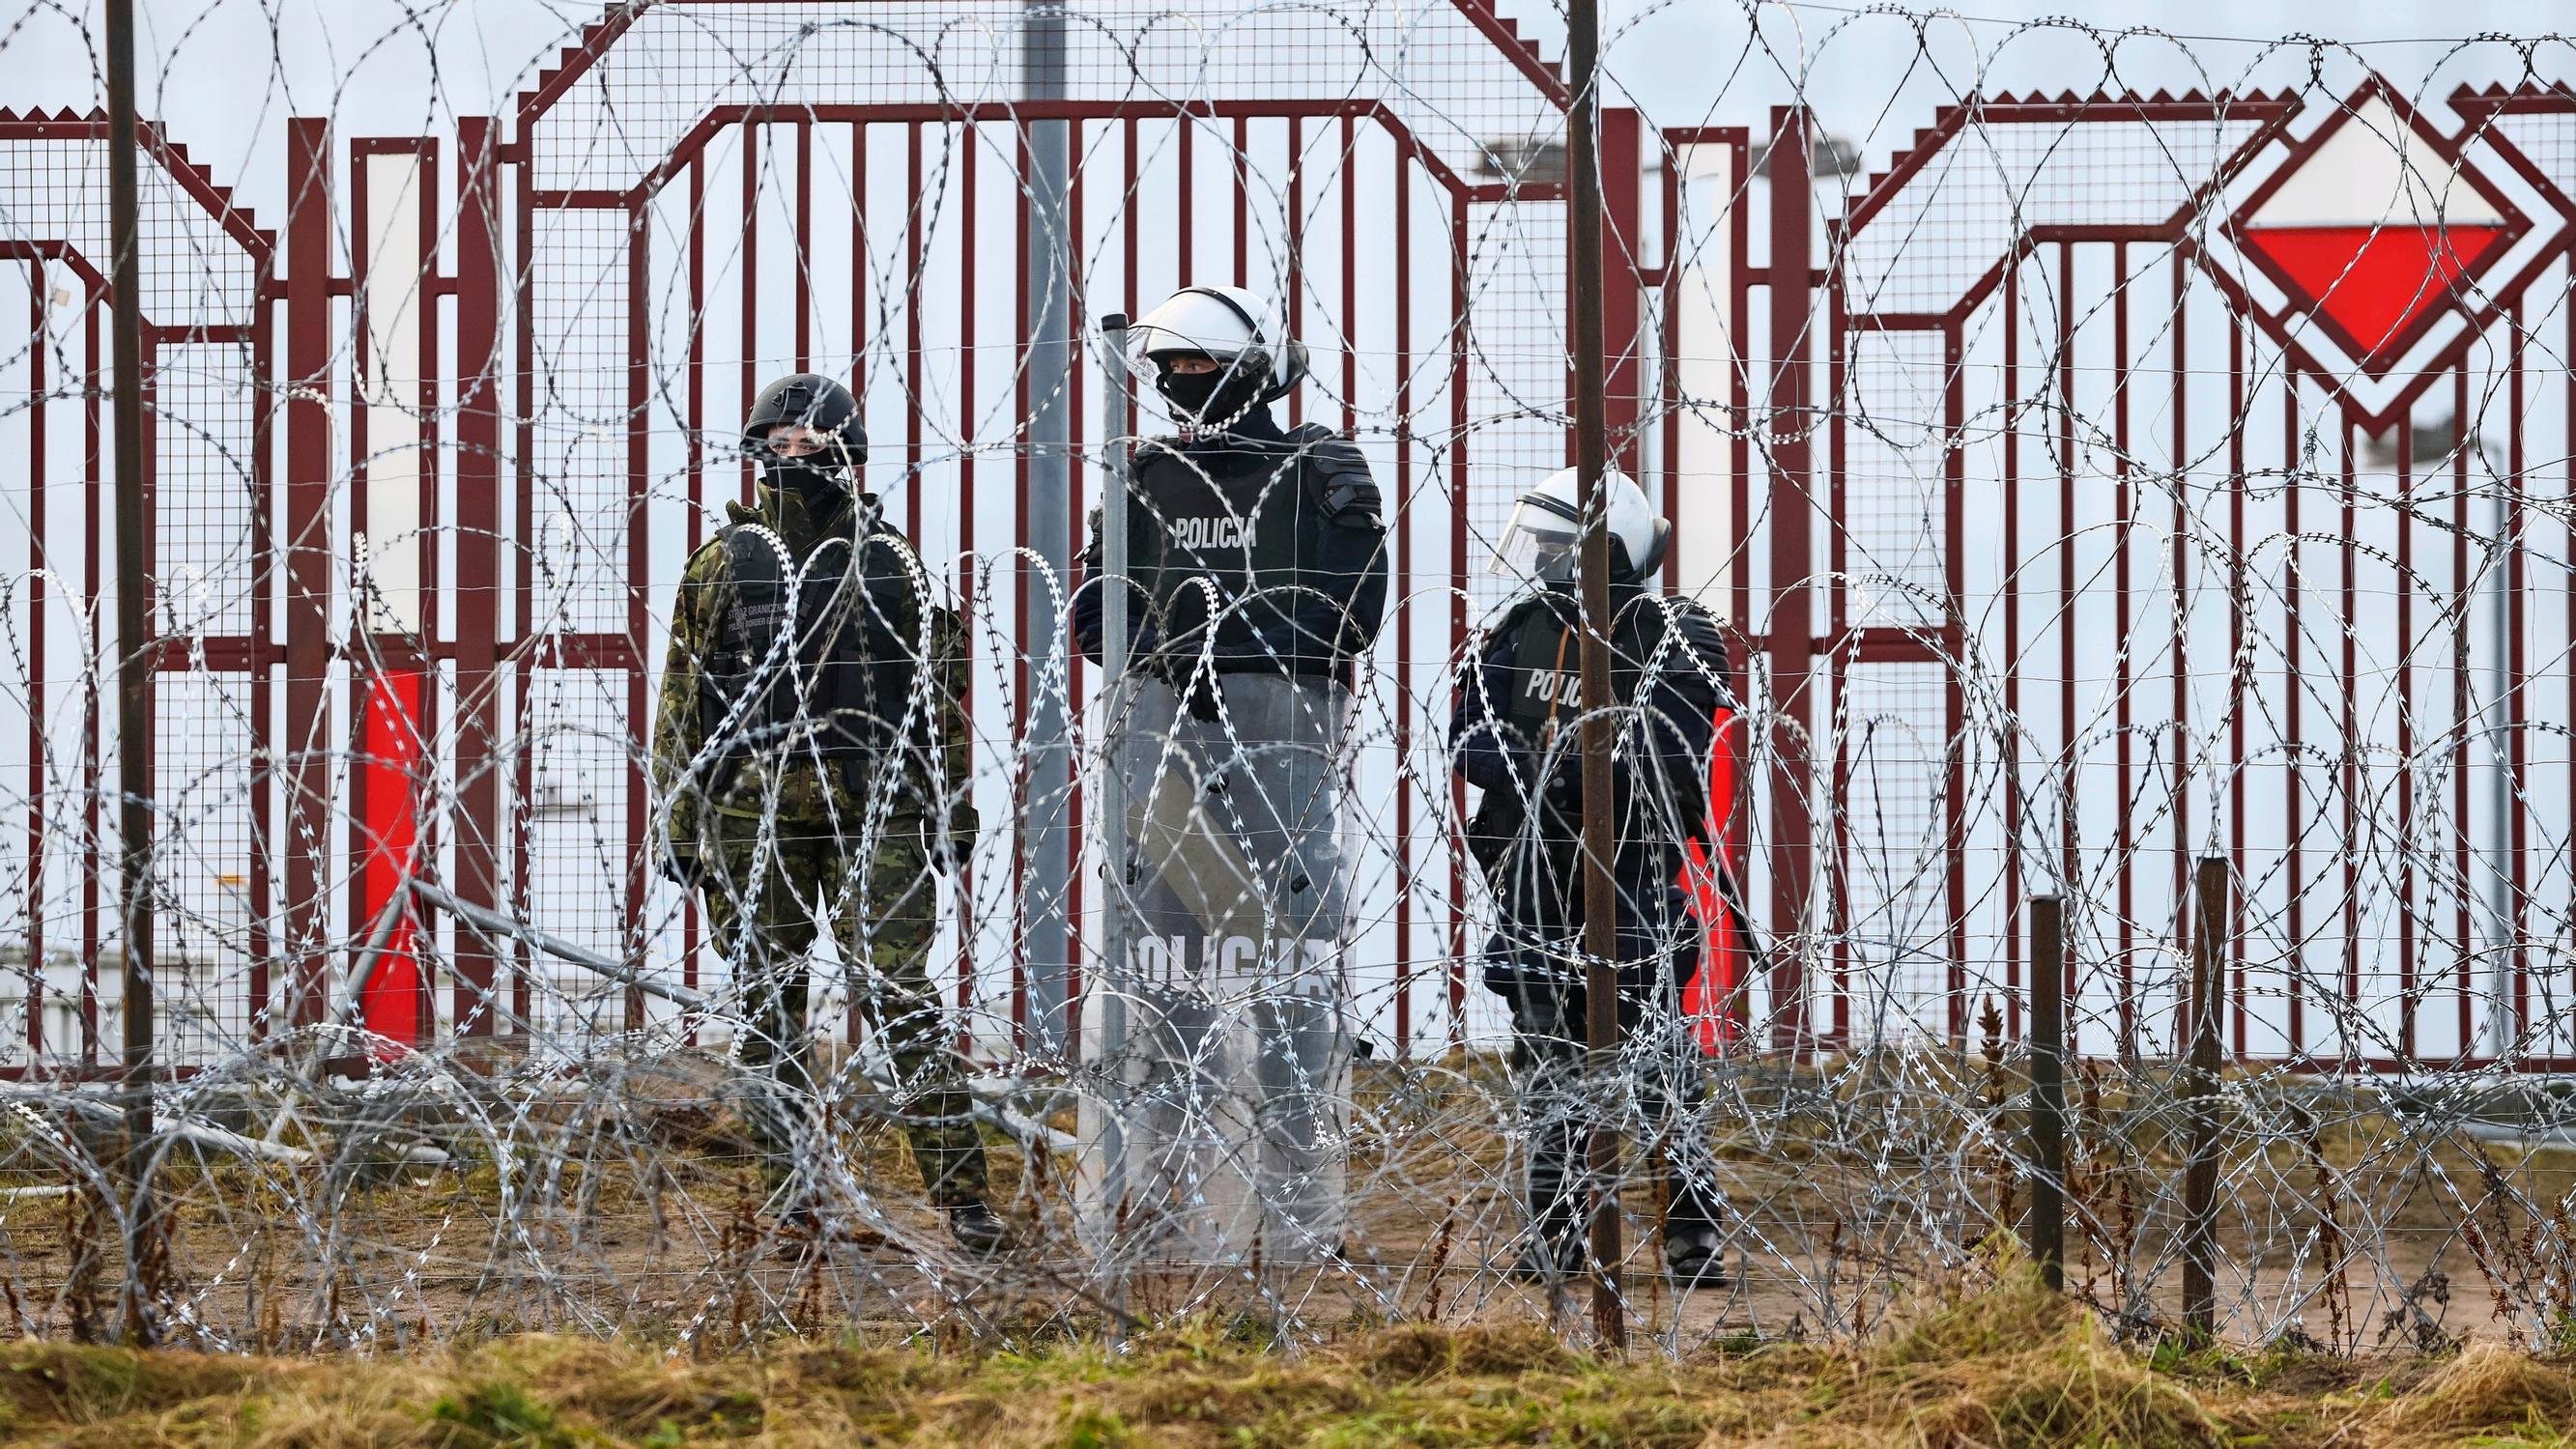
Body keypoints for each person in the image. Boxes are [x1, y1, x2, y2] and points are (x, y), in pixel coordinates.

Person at [649, 372, 1006, 1253]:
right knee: (769, 1010)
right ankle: (791, 1205)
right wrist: (678, 815)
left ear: (845, 450)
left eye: (808, 442)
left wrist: (951, 806)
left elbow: (938, 698)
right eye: (777, 443)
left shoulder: (894, 564)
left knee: (901, 1001)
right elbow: (683, 701)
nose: (792, 456)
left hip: (874, 806)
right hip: (749, 809)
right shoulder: (724, 563)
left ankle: (963, 1199)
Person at [1070, 284, 1388, 1263]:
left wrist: (1223, 635)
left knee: (1289, 974)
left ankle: (1298, 1217)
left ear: (1247, 368)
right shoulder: (1146, 478)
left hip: (1280, 744)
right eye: (1169, 371)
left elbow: (1352, 608)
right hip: (1166, 748)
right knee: (1162, 982)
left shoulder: (1315, 464)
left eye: (1198, 366)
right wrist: (1178, 642)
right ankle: (1160, 1213)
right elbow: (1092, 617)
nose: (1181, 384)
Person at [1449, 465, 1745, 1289]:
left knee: (1659, 1068)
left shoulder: (1675, 634)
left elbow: (1673, 754)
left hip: (1632, 877)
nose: (1545, 563)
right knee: (1547, 1067)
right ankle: (1555, 1237)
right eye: (1541, 548)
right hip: (1534, 873)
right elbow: (1469, 737)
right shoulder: (1520, 630)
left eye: (1561, 548)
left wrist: (1550, 766)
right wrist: (1565, 767)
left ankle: (1690, 1238)